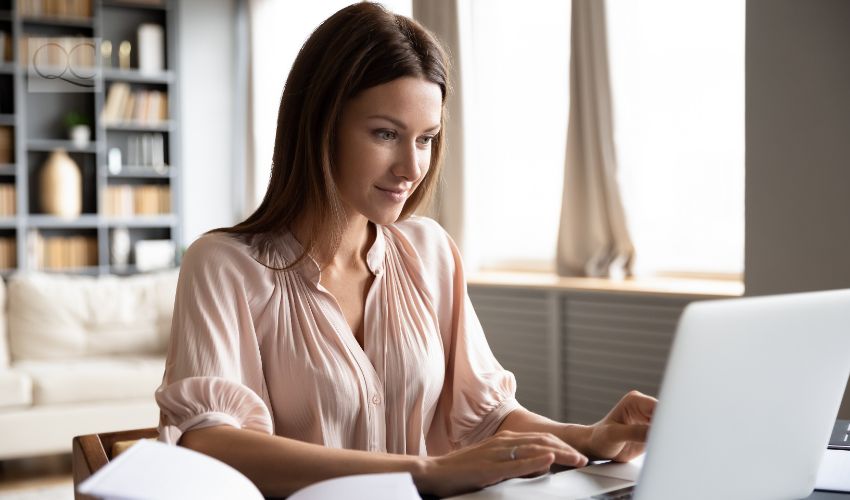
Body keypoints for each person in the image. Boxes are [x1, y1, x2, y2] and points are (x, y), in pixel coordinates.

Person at [155, 3, 656, 498]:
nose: (412, 167)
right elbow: (213, 444)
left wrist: (591, 438)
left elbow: (486, 418)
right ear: (319, 124)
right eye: (386, 134)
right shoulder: (223, 265)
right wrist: (426, 471)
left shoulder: (430, 250)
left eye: (427, 139)